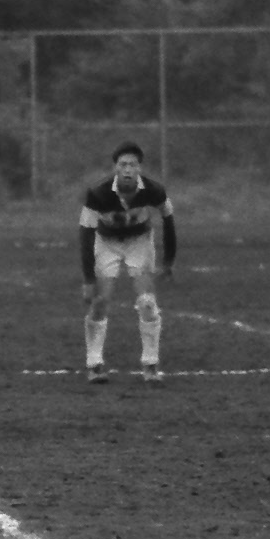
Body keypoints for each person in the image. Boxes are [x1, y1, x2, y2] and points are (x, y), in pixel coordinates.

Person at [78, 141, 176, 384]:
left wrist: (168, 261)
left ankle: (150, 364)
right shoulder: (98, 193)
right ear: (116, 168)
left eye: (132, 164)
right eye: (123, 164)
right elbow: (85, 234)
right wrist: (88, 280)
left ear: (139, 168)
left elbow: (168, 219)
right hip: (106, 242)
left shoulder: (153, 190)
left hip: (139, 242)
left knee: (147, 303)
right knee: (101, 301)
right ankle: (94, 363)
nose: (128, 170)